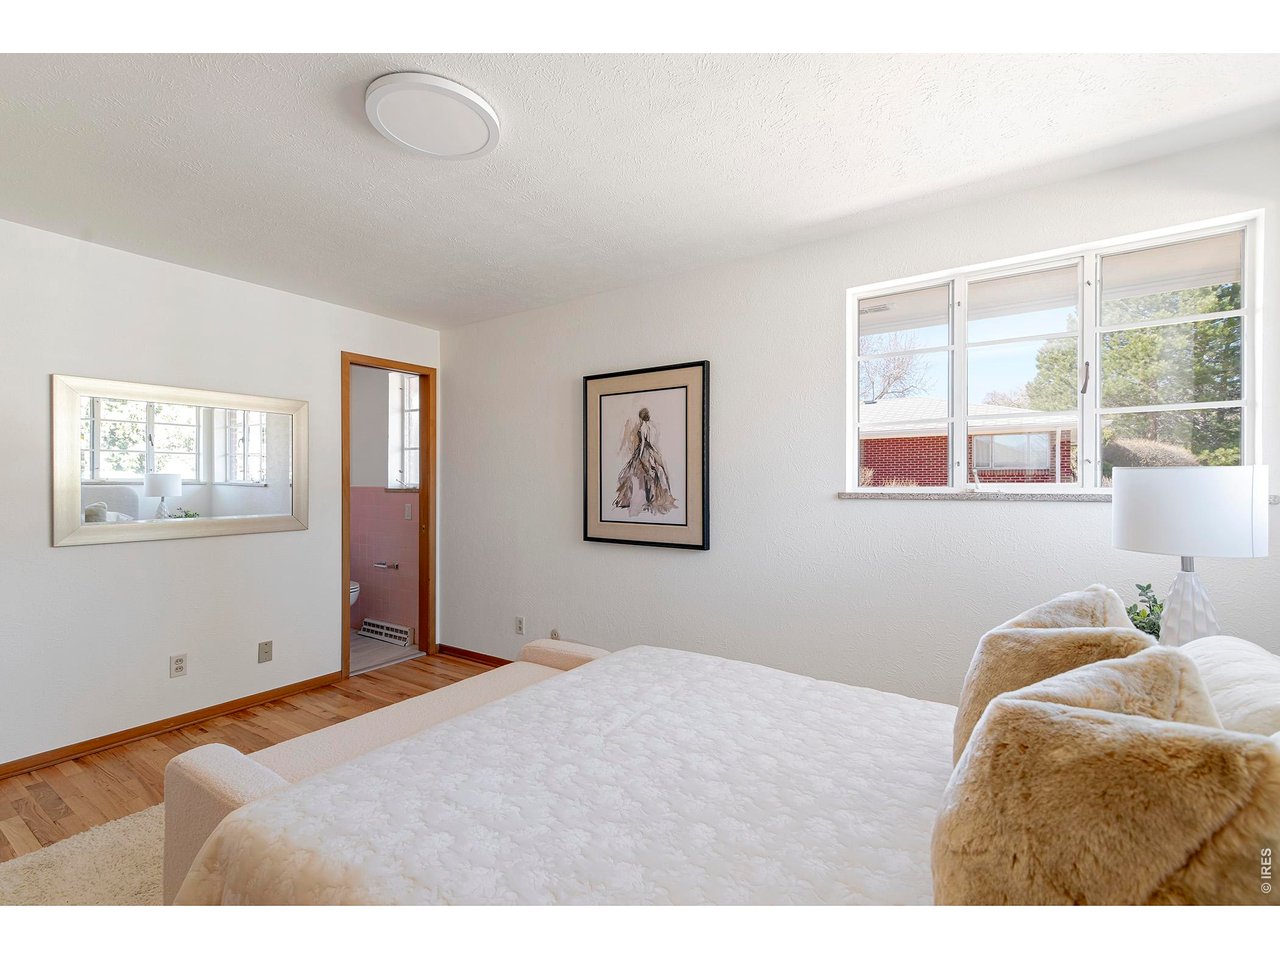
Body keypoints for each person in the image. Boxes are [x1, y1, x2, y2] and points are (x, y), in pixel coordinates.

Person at [613, 407, 677, 517]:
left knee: (638, 473)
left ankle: (638, 499)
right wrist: (654, 451)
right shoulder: (651, 426)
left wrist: (639, 454)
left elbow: (642, 443)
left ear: (641, 417)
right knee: (652, 473)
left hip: (644, 451)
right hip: (650, 450)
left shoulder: (642, 427)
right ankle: (651, 498)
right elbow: (651, 442)